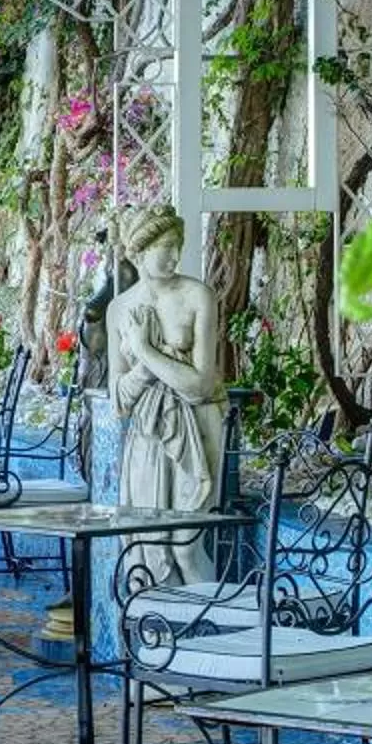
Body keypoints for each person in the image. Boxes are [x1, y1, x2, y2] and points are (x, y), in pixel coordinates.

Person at [105, 204, 223, 582]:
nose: (174, 255)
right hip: (147, 433)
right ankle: (159, 636)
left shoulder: (198, 296)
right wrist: (146, 365)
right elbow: (119, 401)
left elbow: (200, 386)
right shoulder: (119, 308)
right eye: (165, 246)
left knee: (187, 547)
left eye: (178, 245)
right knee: (150, 548)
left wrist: (144, 351)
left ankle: (214, 632)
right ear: (139, 252)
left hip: (199, 426)